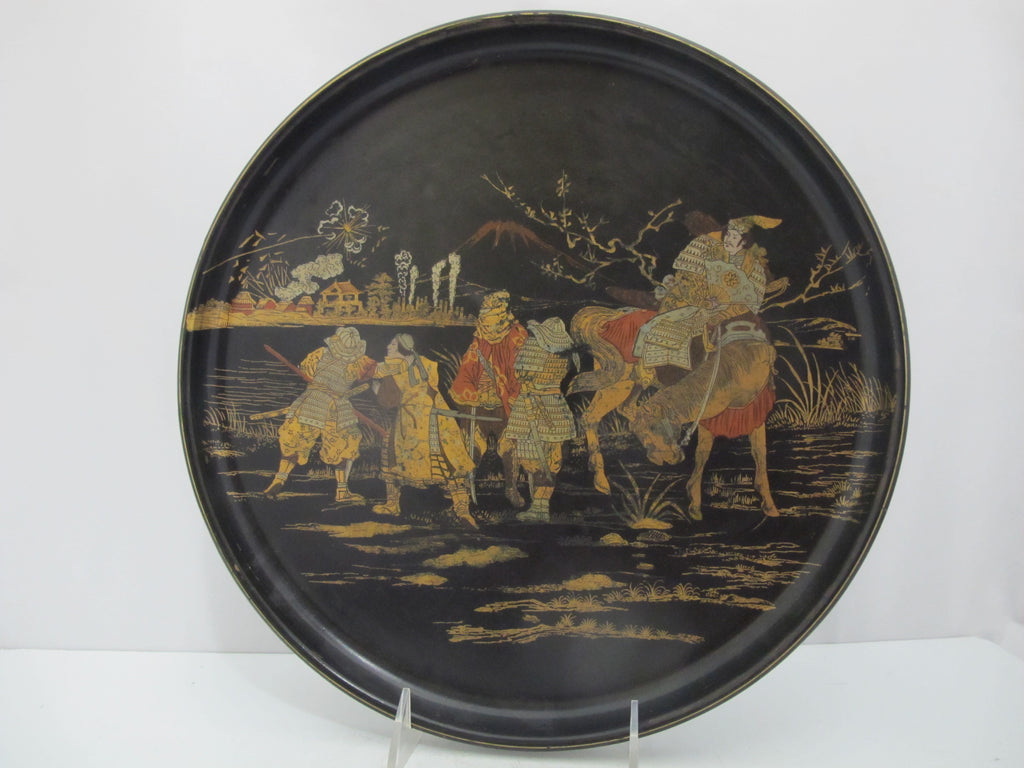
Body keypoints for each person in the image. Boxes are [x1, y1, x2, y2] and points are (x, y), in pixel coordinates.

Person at [372, 334, 477, 528]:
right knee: (450, 461)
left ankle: (392, 504)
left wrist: (376, 387)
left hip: (411, 423)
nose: (388, 346)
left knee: (391, 455)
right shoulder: (428, 363)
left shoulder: (393, 368)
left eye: (393, 344)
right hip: (440, 420)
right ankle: (462, 509)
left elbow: (388, 401)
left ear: (402, 349)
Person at [263, 327, 376, 502]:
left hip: (312, 402)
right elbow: (370, 375)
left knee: (296, 441)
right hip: (337, 407)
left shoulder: (319, 354)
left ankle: (280, 478)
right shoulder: (360, 362)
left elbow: (305, 370)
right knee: (343, 445)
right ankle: (342, 490)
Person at [449, 290, 529, 505]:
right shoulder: (478, 342)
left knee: (510, 447)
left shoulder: (518, 337)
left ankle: (511, 488)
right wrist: (472, 395)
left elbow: (523, 372)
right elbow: (466, 372)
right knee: (472, 445)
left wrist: (512, 396)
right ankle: (465, 489)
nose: (485, 325)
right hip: (479, 404)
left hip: (507, 404)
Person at [499, 317, 577, 522]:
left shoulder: (535, 347)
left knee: (538, 460)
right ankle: (540, 506)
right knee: (549, 461)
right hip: (554, 406)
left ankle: (539, 508)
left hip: (534, 405)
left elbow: (522, 374)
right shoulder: (565, 355)